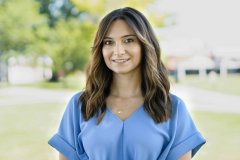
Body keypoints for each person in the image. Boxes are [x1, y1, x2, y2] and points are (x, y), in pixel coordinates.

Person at [48, 7, 206, 160]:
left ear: (145, 45)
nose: (118, 51)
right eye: (108, 42)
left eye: (128, 40)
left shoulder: (173, 108)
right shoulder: (80, 105)